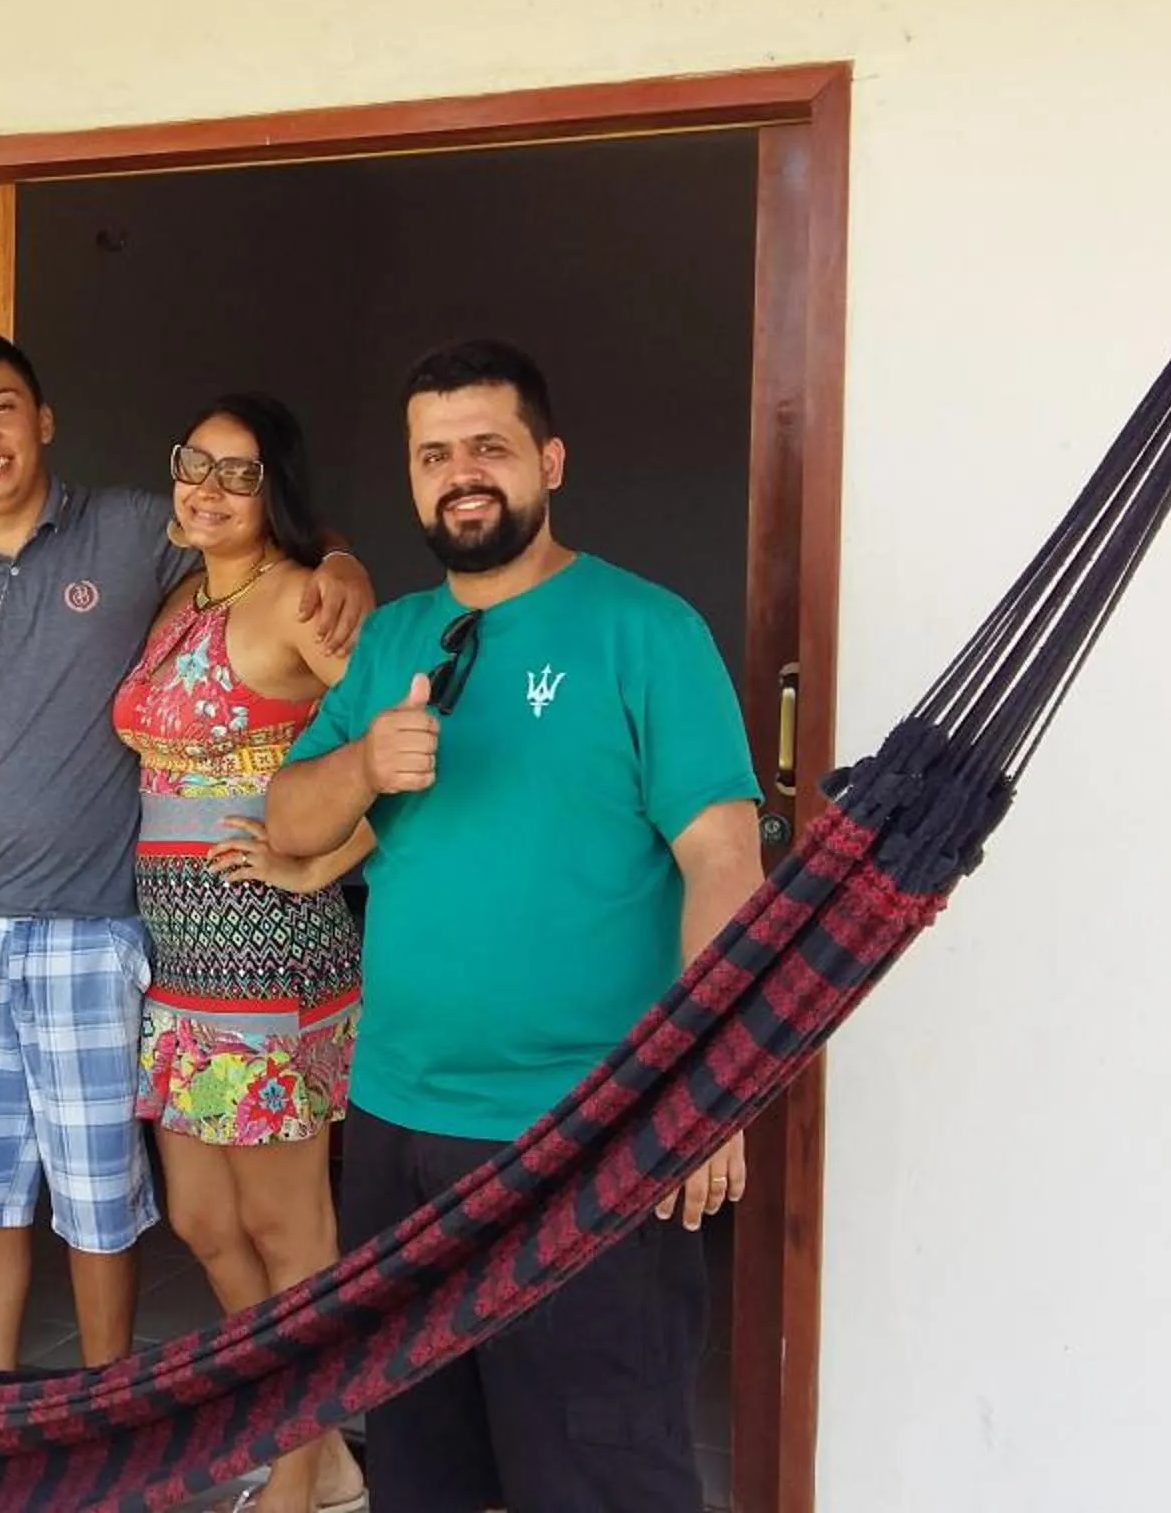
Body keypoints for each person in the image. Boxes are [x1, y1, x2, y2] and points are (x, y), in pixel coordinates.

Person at [266, 339, 765, 1513]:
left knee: (596, 1467)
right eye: (433, 454)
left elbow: (724, 858)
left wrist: (711, 1086)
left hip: (585, 1128)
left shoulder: (644, 630)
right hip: (397, 1124)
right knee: (425, 1459)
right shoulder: (392, 640)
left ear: (548, 459)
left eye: (487, 446)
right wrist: (365, 760)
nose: (461, 473)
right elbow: (287, 817)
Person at [0, 328, 373, 1372]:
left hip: (137, 935)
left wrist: (345, 560)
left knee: (118, 1203)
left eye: (3, 406)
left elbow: (299, 574)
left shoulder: (138, 534)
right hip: (32, 937)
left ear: (43, 422)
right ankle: (4, 1420)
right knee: (38, 1203)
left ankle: (131, 1421)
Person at [113, 395, 369, 1513]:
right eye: (194, 464)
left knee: (285, 1222)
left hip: (268, 956)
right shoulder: (179, 594)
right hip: (176, 956)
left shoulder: (300, 599)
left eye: (239, 472)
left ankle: (300, 1470)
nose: (208, 487)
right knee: (205, 1220)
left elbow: (412, 739)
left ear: (279, 492)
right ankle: (316, 1446)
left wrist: (327, 862)